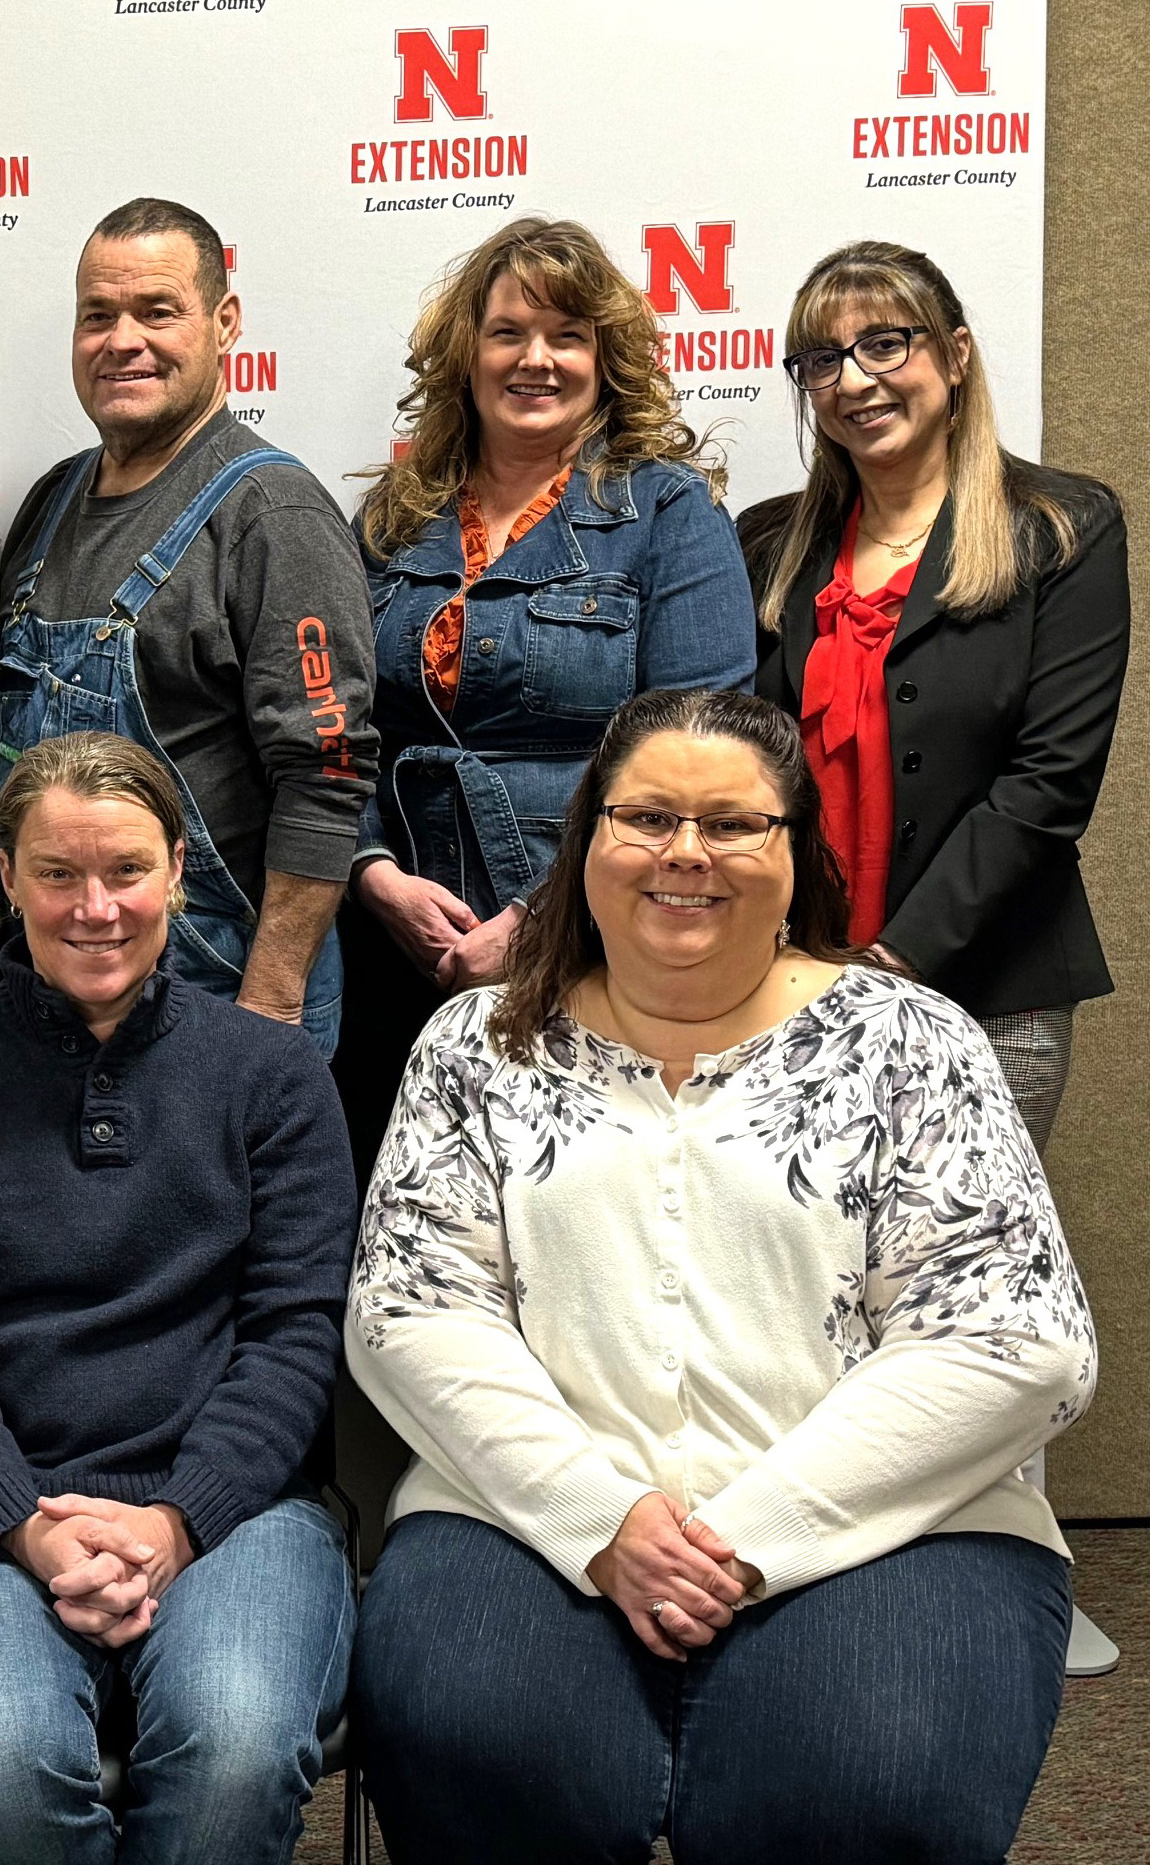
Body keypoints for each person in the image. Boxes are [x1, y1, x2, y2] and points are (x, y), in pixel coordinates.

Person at [347, 687, 1092, 1865]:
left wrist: (749, 1533)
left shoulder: (913, 1041)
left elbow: (1013, 1340)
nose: (684, 852)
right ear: (587, 838)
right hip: (527, 1507)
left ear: (796, 852)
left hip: (894, 1521)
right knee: (484, 1748)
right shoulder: (477, 1045)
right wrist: (601, 1520)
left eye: (734, 824)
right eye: (644, 816)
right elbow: (410, 1312)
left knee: (861, 1788)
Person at [0, 730, 358, 1865]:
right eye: (57, 874)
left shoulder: (271, 1076)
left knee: (232, 1749)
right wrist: (25, 1527)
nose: (96, 908)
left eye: (126, 871)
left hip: (237, 1507)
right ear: (5, 880)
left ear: (177, 871)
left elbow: (292, 1335)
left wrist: (179, 1520)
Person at [740, 239, 1131, 1681]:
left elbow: (1046, 786)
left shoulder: (1060, 528)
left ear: (954, 352)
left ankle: (1012, 1571)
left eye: (884, 343)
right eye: (821, 359)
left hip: (984, 985)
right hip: (787, 992)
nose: (853, 381)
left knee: (976, 1292)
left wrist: (891, 968)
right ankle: (837, 1568)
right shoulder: (769, 544)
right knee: (810, 1287)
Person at [335, 216, 757, 1174]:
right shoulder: (393, 520)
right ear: (465, 356)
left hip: (598, 947)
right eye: (507, 332)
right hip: (396, 950)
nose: (537, 360)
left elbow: (698, 754)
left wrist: (538, 918)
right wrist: (373, 873)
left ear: (606, 360)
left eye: (567, 336)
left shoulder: (668, 511)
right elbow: (336, 725)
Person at [0, 197, 375, 1056]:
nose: (122, 339)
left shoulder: (272, 514)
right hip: (50, 987)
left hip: (219, 990)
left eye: (157, 311)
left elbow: (326, 777)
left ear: (224, 322)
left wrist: (270, 1010)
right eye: (98, 315)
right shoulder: (49, 504)